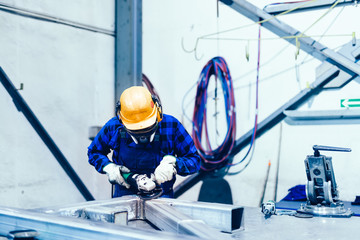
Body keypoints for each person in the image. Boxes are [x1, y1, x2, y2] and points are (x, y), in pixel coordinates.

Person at [88, 86, 201, 198]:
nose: (143, 136)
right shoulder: (114, 127)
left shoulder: (171, 126)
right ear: (122, 121)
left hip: (162, 199)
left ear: (158, 113)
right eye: (136, 131)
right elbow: (94, 152)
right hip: (124, 199)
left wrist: (175, 164)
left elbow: (194, 161)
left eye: (148, 129)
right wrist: (109, 167)